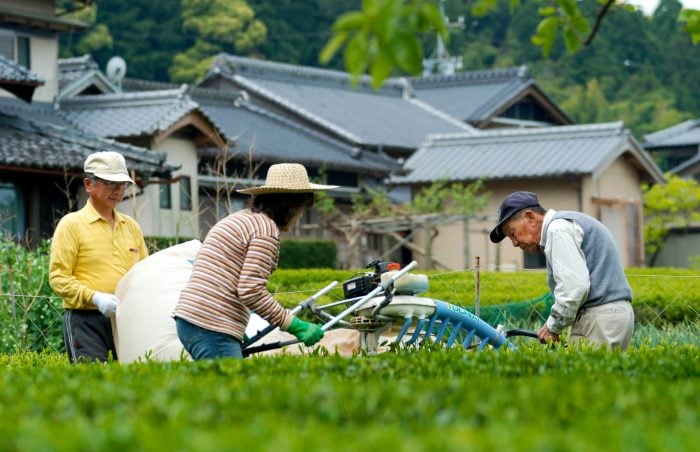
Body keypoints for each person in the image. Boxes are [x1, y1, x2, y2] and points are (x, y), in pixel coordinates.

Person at [173, 163, 338, 360]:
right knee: (231, 389)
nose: (300, 216)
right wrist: (294, 324)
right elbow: (251, 290)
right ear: (290, 205)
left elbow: (223, 275)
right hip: (211, 323)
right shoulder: (265, 231)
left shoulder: (242, 219)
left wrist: (235, 327)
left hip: (192, 318)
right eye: (302, 209)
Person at [489, 191, 634, 350]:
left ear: (530, 217)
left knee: (589, 374)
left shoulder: (557, 229)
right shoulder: (565, 223)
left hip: (601, 316)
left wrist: (553, 326)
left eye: (513, 234)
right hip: (610, 315)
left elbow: (575, 286)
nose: (515, 243)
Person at [50, 151, 148, 362]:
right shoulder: (71, 225)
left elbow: (143, 274)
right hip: (84, 320)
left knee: (134, 379)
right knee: (90, 381)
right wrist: (94, 297)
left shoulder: (131, 227)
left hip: (125, 317)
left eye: (122, 184)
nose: (117, 190)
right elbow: (58, 278)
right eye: (110, 183)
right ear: (88, 184)